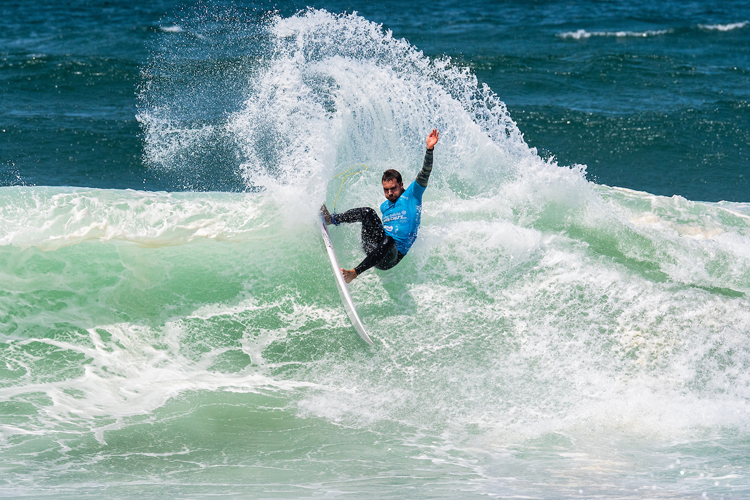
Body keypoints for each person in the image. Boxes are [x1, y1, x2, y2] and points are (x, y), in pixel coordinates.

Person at [321, 129, 439, 283]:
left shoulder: (413, 194)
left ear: (401, 185)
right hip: (374, 247)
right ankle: (331, 219)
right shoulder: (385, 206)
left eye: (393, 189)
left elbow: (425, 172)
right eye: (386, 190)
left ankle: (354, 273)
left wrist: (429, 149)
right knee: (367, 212)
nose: (390, 193)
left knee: (389, 241)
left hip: (390, 258)